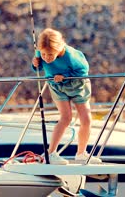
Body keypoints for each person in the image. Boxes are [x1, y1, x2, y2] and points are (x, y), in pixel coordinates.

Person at [31, 28, 101, 165]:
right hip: (57, 88)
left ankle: (81, 153)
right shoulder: (41, 51)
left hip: (77, 86)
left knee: (86, 119)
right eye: (43, 54)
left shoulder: (71, 56)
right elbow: (39, 68)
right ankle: (51, 153)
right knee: (65, 117)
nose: (46, 57)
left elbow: (83, 71)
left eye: (50, 54)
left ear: (59, 48)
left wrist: (65, 76)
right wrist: (35, 64)